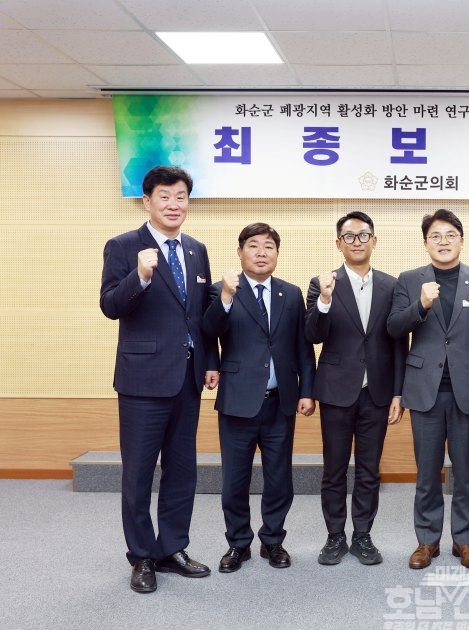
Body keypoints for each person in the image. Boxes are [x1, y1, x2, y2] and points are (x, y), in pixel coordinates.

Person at [99, 165, 220, 593]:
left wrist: (211, 360)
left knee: (182, 470)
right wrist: (141, 277)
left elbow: (201, 315)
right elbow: (110, 305)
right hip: (142, 380)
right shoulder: (123, 246)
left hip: (187, 377)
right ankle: (142, 556)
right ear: (147, 201)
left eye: (181, 196)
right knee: (137, 474)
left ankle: (172, 548)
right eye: (164, 196)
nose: (174, 204)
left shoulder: (196, 250)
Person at [387, 209, 469, 570]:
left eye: (450, 235)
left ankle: (465, 541)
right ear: (425, 243)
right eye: (435, 236)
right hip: (425, 391)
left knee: (466, 473)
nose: (443, 241)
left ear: (461, 240)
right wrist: (420, 305)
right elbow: (394, 328)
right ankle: (427, 541)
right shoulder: (409, 280)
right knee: (427, 473)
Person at [202, 223, 316, 573]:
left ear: (277, 254)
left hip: (281, 401)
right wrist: (225, 296)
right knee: (235, 480)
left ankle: (273, 540)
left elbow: (303, 346)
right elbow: (208, 331)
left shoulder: (290, 293)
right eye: (253, 245)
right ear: (240, 252)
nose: (262, 252)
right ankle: (238, 543)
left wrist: (307, 391)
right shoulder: (221, 290)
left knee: (279, 478)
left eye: (269, 246)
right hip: (238, 400)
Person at [304, 211, 407, 566]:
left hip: (377, 392)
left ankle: (362, 535)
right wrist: (324, 300)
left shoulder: (392, 286)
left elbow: (399, 342)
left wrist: (398, 393)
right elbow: (312, 335)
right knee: (334, 468)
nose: (357, 242)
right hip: (336, 391)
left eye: (364, 235)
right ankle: (335, 535)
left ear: (374, 241)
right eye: (349, 236)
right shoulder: (322, 283)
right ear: (339, 243)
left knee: (368, 469)